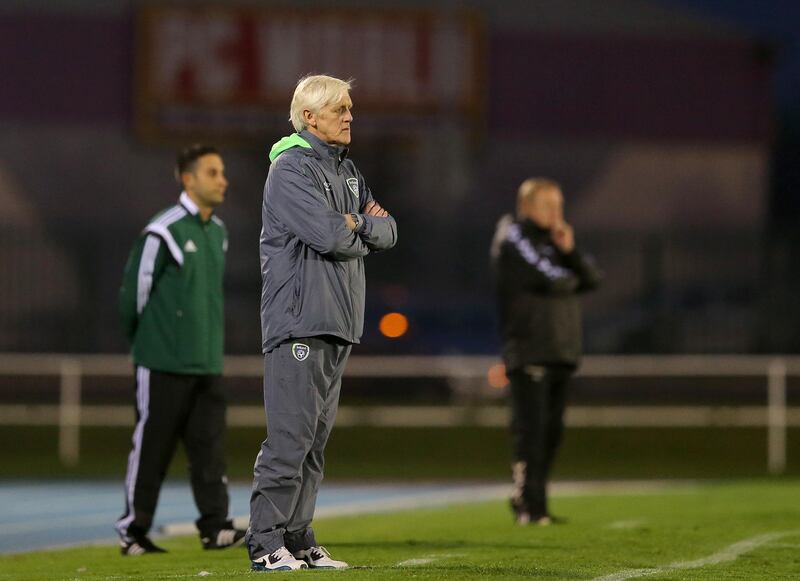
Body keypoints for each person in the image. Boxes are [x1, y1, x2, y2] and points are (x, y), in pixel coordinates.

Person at [246, 74, 397, 572]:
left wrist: (357, 224)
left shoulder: (348, 170)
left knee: (313, 444)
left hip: (338, 321)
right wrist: (356, 225)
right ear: (310, 117)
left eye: (350, 107)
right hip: (299, 321)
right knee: (290, 438)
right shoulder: (290, 169)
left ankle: (299, 538)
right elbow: (331, 235)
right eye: (340, 108)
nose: (350, 116)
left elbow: (389, 230)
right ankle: (266, 544)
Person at [115, 144, 245, 555]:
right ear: (188, 179)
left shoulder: (218, 232)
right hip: (162, 362)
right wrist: (147, 344)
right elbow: (133, 295)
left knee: (210, 448)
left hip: (206, 361)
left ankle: (215, 527)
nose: (222, 180)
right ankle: (133, 532)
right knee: (152, 448)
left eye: (222, 172)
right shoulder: (163, 230)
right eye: (213, 172)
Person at [490, 177, 601, 526]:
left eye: (560, 205)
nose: (557, 212)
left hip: (561, 349)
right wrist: (569, 275)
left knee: (552, 433)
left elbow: (593, 278)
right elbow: (556, 278)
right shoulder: (514, 237)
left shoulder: (556, 242)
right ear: (527, 206)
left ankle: (537, 505)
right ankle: (528, 505)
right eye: (548, 205)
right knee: (531, 432)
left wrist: (570, 252)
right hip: (530, 348)